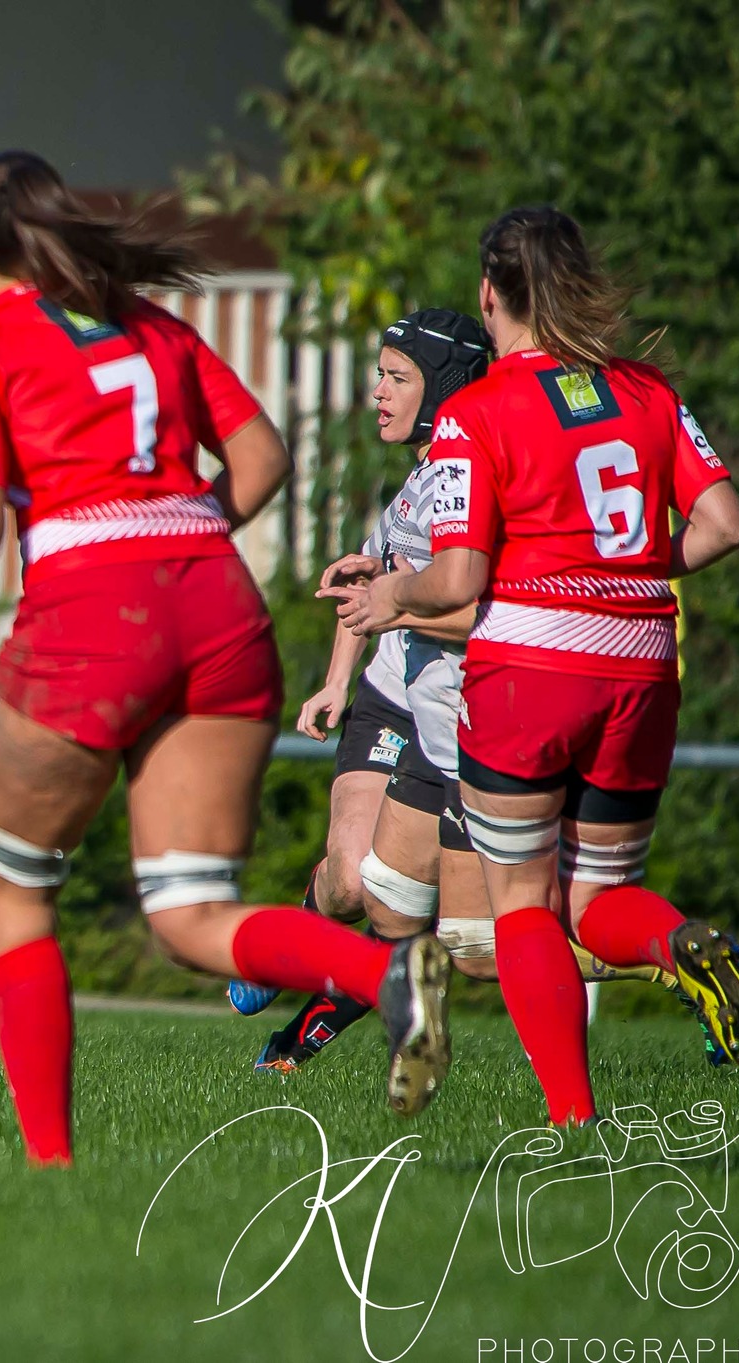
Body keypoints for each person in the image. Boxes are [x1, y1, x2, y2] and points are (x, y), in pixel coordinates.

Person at [0, 150, 454, 1166]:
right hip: (217, 608)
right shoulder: (154, 326)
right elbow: (263, 459)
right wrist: (181, 539)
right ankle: (382, 976)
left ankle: (48, 1167)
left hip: (86, 619)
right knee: (189, 912)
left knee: (15, 892)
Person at [343, 206, 739, 1124]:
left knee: (523, 904)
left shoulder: (477, 409)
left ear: (490, 294)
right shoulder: (648, 390)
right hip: (644, 658)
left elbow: (457, 573)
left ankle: (573, 1119)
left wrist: (392, 596)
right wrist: (629, 575)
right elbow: (727, 523)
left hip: (531, 664)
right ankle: (683, 941)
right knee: (597, 902)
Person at [247, 311, 498, 1066]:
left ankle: (323, 1011)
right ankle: (297, 936)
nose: (378, 394)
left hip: (459, 713)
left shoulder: (475, 471)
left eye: (397, 378)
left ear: (443, 387)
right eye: (379, 375)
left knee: (424, 920)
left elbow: (471, 602)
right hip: (395, 692)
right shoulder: (420, 476)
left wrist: (397, 597)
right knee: (348, 883)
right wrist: (333, 683)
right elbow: (375, 579)